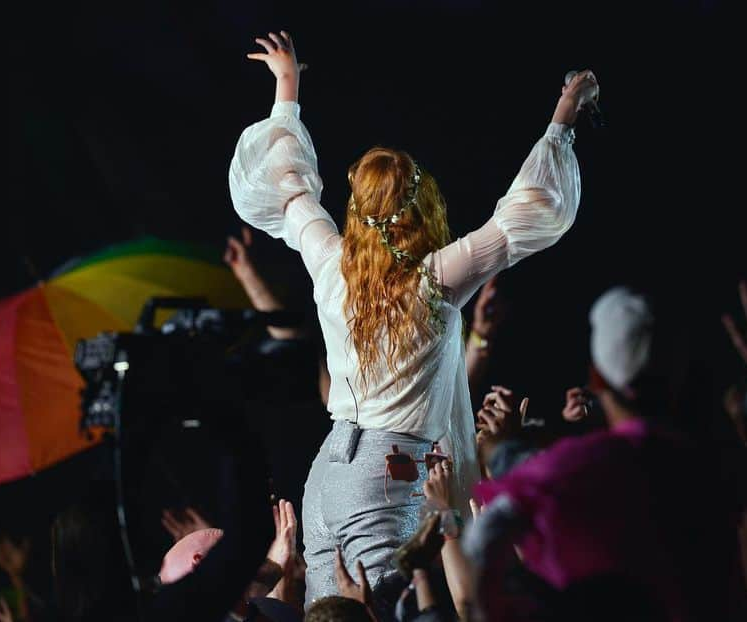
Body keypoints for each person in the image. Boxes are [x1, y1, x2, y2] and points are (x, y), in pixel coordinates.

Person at [228, 31, 596, 604]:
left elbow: (288, 192)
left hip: (328, 475)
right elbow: (525, 213)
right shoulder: (434, 280)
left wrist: (286, 86)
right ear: (419, 206)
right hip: (388, 476)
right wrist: (562, 119)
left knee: (330, 616)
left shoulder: (332, 264)